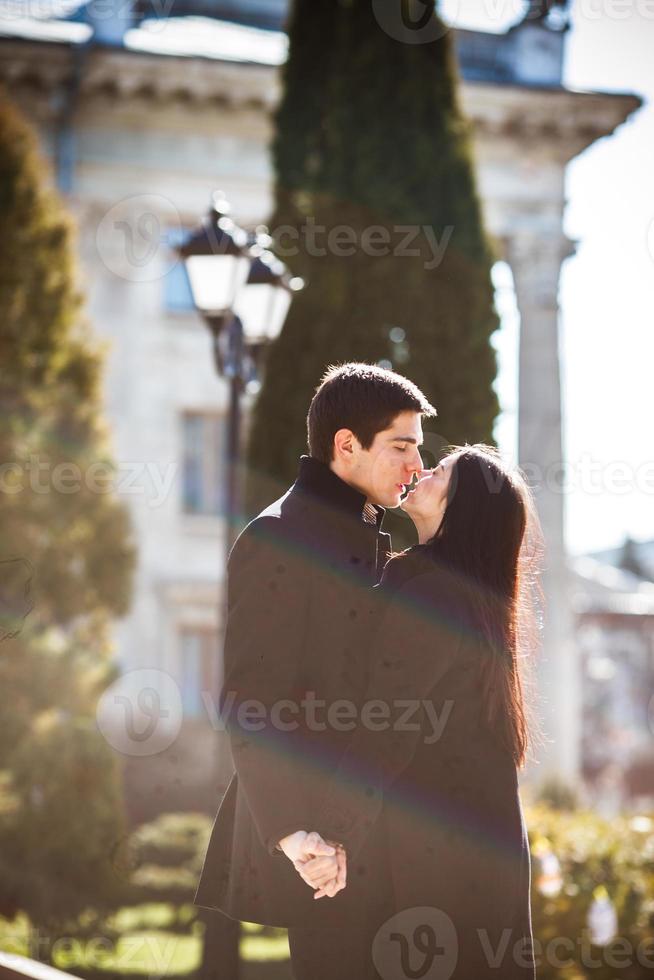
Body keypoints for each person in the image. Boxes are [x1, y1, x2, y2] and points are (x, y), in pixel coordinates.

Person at [193, 362, 437, 978]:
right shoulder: (279, 537)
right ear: (345, 445)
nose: (416, 466)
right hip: (325, 846)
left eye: (418, 449)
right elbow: (250, 698)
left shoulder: (366, 530)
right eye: (401, 447)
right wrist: (298, 836)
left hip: (384, 834)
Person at [295, 444, 542, 980]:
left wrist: (333, 835)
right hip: (466, 847)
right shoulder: (457, 594)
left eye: (440, 473)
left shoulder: (436, 596)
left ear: (465, 508)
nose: (420, 470)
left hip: (444, 859)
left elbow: (389, 724)